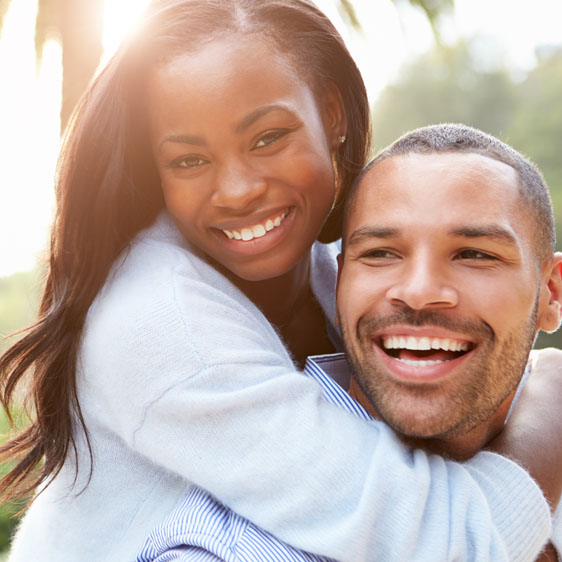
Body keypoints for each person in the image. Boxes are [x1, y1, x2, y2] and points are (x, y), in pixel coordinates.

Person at [0, 0, 559, 558]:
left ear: (333, 116)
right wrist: (549, 415)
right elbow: (438, 540)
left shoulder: (336, 264)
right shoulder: (156, 320)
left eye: (268, 138)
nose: (239, 189)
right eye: (189, 161)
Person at [138, 124, 562, 562]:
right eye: (380, 252)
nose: (418, 291)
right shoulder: (226, 550)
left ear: (551, 293)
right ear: (340, 284)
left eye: (474, 254)